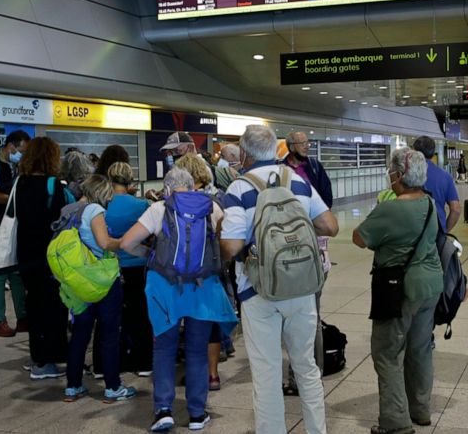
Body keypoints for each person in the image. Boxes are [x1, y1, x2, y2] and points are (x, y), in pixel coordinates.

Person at [219, 124, 339, 434]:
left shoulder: (239, 189)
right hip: (300, 286)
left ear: (243, 154)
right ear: (276, 151)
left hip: (258, 292)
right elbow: (329, 225)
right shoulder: (297, 181)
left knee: (267, 372)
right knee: (306, 367)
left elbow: (232, 246)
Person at [120, 168, 238, 432]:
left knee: (164, 349)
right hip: (202, 287)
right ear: (193, 187)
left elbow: (127, 243)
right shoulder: (212, 208)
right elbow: (226, 248)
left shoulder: (159, 208)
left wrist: (150, 253)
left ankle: (163, 410)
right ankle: (196, 414)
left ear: (168, 189)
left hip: (164, 287)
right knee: (197, 351)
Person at [353, 148, 443, 434]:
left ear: (400, 175)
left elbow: (359, 238)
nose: (389, 176)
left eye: (391, 171)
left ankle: (395, 422)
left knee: (388, 353)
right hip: (430, 285)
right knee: (420, 349)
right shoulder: (429, 203)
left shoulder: (390, 207)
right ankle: (421, 409)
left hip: (397, 288)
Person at [64, 175, 138, 403]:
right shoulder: (95, 210)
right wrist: (125, 241)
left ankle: (73, 386)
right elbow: (104, 242)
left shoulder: (69, 209)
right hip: (102, 280)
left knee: (80, 334)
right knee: (108, 334)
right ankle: (113, 387)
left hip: (78, 279)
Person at [281, 131, 334, 396]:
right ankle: (299, 374)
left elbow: (327, 202)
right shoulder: (280, 171)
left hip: (312, 246)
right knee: (297, 315)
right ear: (291, 147)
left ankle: (309, 374)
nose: (307, 146)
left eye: (308, 142)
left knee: (310, 313)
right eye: (303, 143)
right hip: (286, 249)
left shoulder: (315, 167)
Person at [15, 137, 71, 379]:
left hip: (26, 252)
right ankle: (48, 360)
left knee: (34, 305)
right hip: (49, 253)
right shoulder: (53, 185)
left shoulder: (20, 183)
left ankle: (37, 357)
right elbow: (61, 219)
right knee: (53, 306)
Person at [176, 153, 229, 391]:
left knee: (188, 320)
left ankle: (192, 372)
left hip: (179, 272)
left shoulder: (171, 204)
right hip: (208, 270)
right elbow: (222, 236)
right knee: (211, 323)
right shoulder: (213, 204)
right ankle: (212, 375)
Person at [102, 162, 154, 377]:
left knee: (114, 318)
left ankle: (117, 359)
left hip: (110, 267)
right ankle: (143, 362)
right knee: (141, 316)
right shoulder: (141, 205)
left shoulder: (102, 206)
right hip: (138, 267)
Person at [0, 130, 30, 337]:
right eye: (21, 150)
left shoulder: (14, 166)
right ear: (11, 146)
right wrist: (19, 199)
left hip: (13, 222)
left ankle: (22, 317)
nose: (22, 155)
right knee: (0, 272)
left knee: (16, 272)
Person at [412, 136, 461, 234]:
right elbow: (456, 210)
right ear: (433, 153)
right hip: (436, 231)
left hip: (411, 231)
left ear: (414, 152)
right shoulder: (445, 176)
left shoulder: (406, 174)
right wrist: (444, 231)